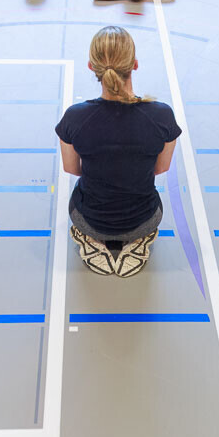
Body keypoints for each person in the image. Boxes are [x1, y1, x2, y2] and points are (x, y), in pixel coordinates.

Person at [56, 26, 181, 277]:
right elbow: (161, 167)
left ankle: (93, 241)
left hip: (89, 220)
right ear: (134, 64)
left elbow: (72, 169)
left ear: (92, 67)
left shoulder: (74, 117)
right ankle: (136, 241)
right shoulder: (162, 115)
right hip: (144, 220)